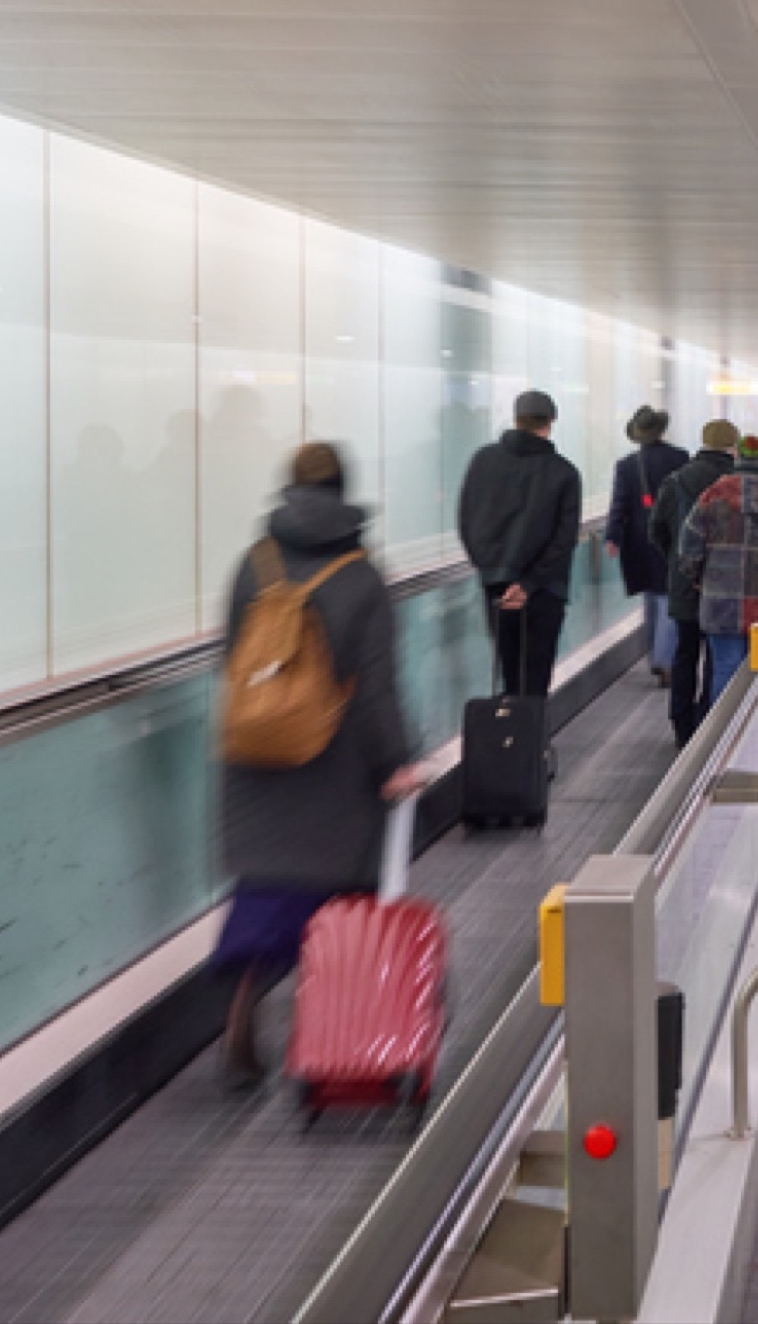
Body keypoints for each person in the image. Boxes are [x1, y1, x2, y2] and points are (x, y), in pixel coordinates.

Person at [214, 442, 421, 1089]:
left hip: (254, 756)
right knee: (339, 902)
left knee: (265, 884)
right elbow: (379, 684)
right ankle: (327, 1023)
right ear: (344, 491)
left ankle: (248, 987)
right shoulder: (362, 574)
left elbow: (231, 659)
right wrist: (396, 761)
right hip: (337, 763)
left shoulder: (253, 565)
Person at [457, 389, 583, 698]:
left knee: (510, 670)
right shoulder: (564, 473)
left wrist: (490, 569)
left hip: (496, 588)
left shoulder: (482, 461)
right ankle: (531, 742)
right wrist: (528, 583)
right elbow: (564, 539)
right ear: (550, 423)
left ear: (515, 420)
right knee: (536, 675)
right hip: (544, 590)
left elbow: (467, 519)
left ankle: (507, 738)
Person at [678, 434, 758, 705]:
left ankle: (725, 740)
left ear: (736, 457)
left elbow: (689, 547)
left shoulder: (711, 496)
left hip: (721, 598)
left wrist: (699, 578)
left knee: (724, 667)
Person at [650, 419, 738, 744]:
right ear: (734, 445)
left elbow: (655, 530)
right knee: (719, 654)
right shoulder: (739, 483)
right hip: (727, 585)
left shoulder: (675, 482)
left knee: (685, 652)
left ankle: (681, 724)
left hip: (684, 583)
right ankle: (709, 722)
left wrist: (677, 561)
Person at [603, 405, 689, 687]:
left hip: (638, 540)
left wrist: (613, 537)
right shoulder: (680, 458)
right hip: (672, 537)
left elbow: (620, 504)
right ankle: (665, 662)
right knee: (667, 598)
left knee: (651, 599)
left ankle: (655, 655)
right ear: (662, 430)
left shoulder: (627, 465)